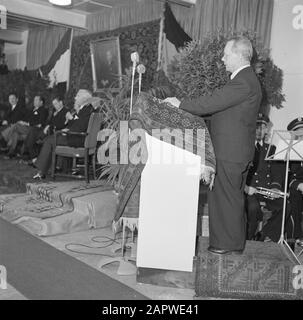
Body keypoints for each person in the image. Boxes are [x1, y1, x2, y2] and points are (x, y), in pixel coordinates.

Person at [165, 36, 262, 254]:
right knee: (227, 198)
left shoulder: (243, 81)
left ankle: (227, 245)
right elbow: (222, 110)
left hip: (231, 152)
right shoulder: (245, 80)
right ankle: (229, 244)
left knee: (227, 199)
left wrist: (180, 104)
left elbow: (212, 103)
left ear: (238, 55)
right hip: (232, 151)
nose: (223, 58)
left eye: (226, 55)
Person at [245, 113, 290, 242]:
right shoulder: (245, 147)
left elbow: (277, 172)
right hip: (250, 191)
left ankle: (264, 233)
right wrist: (247, 188)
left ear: (266, 130)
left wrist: (275, 188)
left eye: (263, 127)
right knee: (252, 208)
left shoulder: (272, 149)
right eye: (257, 126)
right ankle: (248, 240)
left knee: (285, 205)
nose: (260, 130)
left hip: (266, 190)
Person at [33, 89, 94, 179]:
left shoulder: (86, 110)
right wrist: (70, 124)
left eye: (77, 96)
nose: (75, 97)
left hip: (78, 139)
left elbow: (80, 127)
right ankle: (49, 168)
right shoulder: (88, 109)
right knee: (50, 139)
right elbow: (79, 125)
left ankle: (41, 170)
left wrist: (68, 129)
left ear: (84, 98)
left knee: (50, 140)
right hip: (79, 137)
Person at [23, 95, 68, 165]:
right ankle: (33, 158)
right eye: (54, 104)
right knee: (32, 132)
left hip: (53, 132)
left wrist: (49, 126)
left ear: (61, 102)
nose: (54, 106)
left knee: (32, 133)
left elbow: (61, 125)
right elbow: (49, 122)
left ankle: (32, 158)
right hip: (46, 130)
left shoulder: (65, 111)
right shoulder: (55, 112)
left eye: (56, 104)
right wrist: (48, 125)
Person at [287, 117, 303, 247]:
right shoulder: (286, 149)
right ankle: (296, 237)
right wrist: (298, 185)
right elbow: (284, 175)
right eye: (298, 132)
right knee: (295, 197)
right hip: (292, 187)